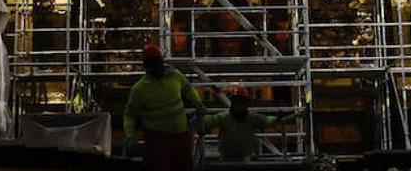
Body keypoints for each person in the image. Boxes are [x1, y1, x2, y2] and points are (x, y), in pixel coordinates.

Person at [123, 42, 205, 170]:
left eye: (158, 63)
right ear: (147, 67)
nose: (157, 67)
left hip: (179, 135)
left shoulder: (175, 76)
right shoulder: (139, 89)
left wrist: (198, 103)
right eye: (153, 64)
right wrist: (130, 136)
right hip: (157, 139)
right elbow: (130, 115)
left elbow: (188, 89)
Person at [202, 88, 290, 163]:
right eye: (237, 102)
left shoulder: (250, 117)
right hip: (228, 156)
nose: (239, 105)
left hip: (242, 157)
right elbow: (209, 121)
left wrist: (277, 118)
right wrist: (199, 119)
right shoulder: (225, 117)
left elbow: (266, 120)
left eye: (241, 102)